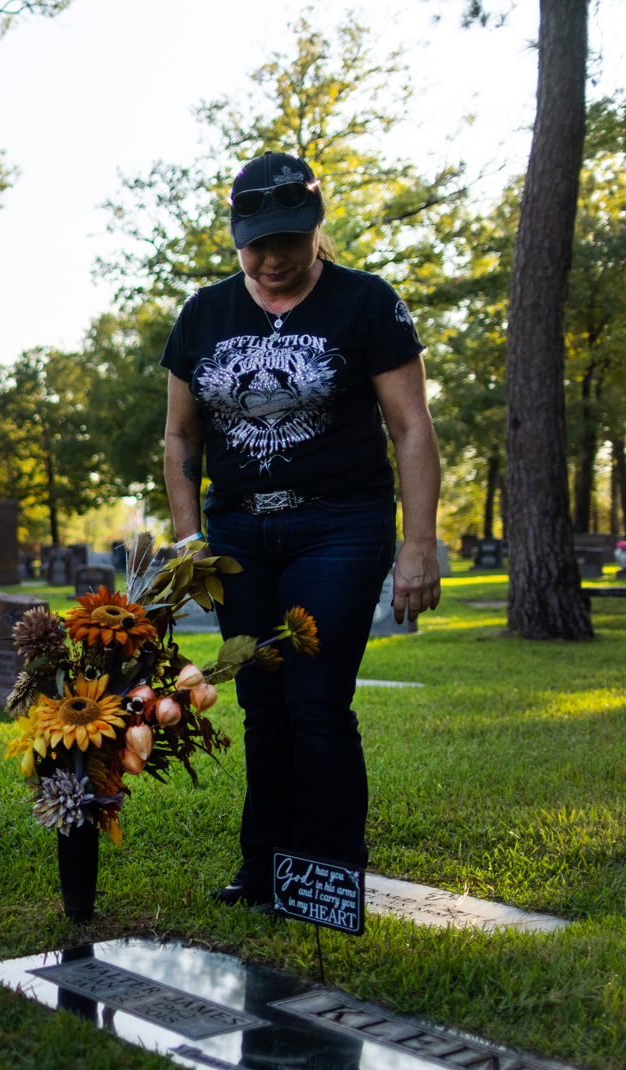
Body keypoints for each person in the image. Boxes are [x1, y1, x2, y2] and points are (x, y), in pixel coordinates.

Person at [160, 151, 442, 907]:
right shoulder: (202, 316)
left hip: (339, 526)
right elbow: (181, 439)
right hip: (239, 537)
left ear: (318, 228)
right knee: (261, 702)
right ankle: (264, 868)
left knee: (316, 698)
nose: (273, 258)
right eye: (256, 244)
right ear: (235, 237)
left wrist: (417, 546)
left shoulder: (367, 303)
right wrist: (191, 546)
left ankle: (323, 875)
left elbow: (411, 427)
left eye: (289, 239)